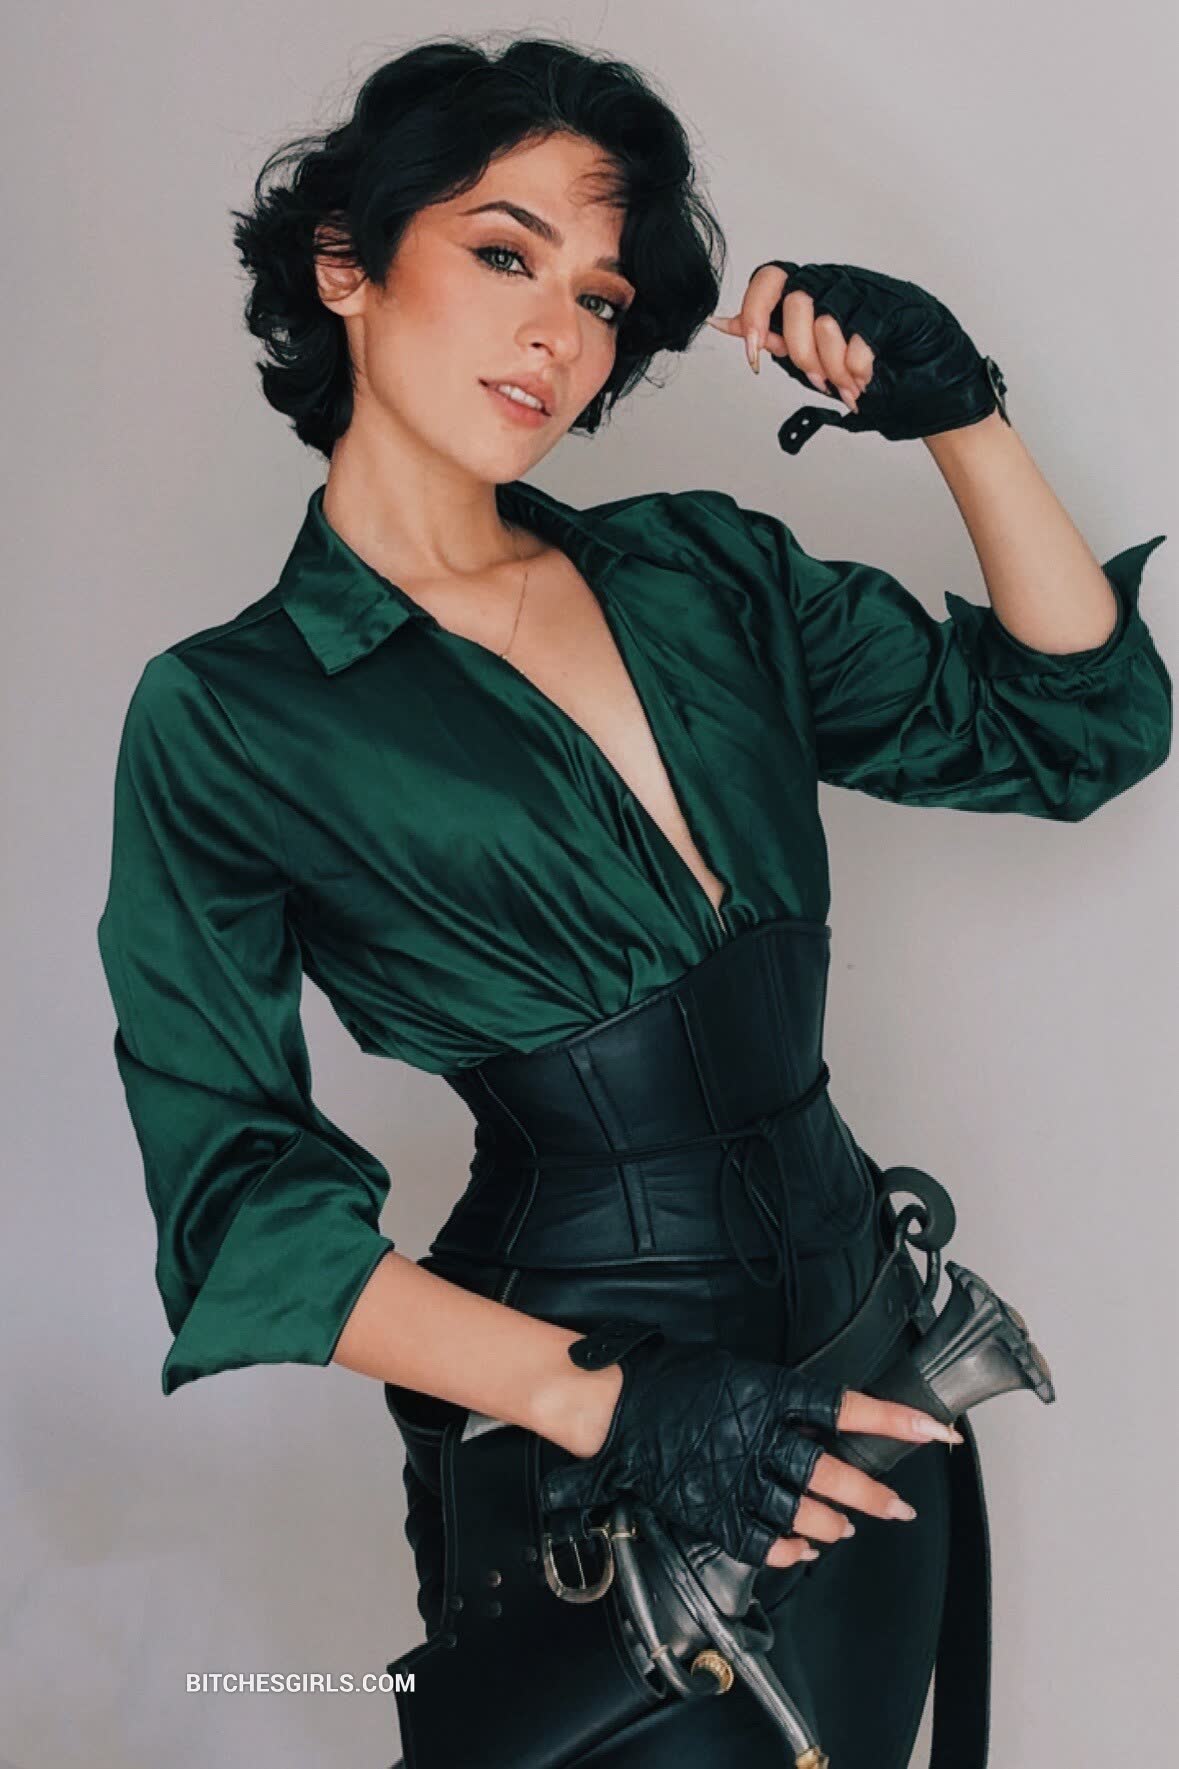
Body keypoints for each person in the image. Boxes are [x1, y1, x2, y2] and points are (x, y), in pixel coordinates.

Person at [95, 32, 1171, 1769]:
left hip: (869, 1373)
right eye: (502, 252)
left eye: (598, 298)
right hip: (594, 1457)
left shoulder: (703, 573)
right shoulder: (232, 711)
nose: (557, 334)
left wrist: (961, 408)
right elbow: (241, 1211)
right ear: (346, 264)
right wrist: (612, 1401)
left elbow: (1076, 726)